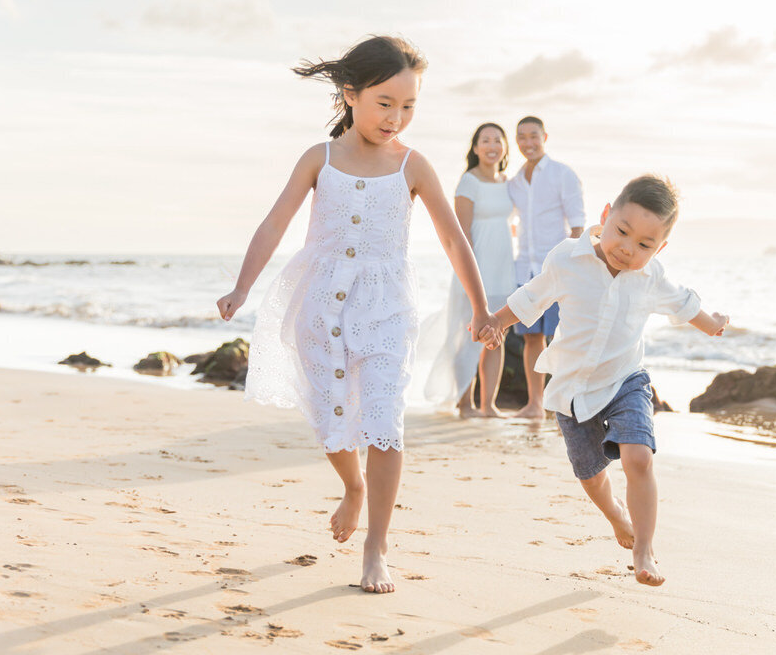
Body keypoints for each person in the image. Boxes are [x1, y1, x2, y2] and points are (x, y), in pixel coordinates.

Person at [217, 36, 498, 594]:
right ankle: (353, 485)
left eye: (409, 105)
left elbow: (451, 235)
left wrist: (482, 306)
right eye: (385, 103)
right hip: (320, 306)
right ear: (351, 94)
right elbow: (275, 223)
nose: (397, 118)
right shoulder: (319, 159)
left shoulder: (412, 166)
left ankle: (377, 547)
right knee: (332, 417)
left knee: (385, 424)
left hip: (387, 306)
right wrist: (242, 285)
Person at [478, 175, 729, 586]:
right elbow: (531, 297)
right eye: (622, 232)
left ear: (660, 248)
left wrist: (713, 324)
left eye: (645, 245)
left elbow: (685, 303)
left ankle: (644, 550)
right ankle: (616, 515)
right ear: (605, 216)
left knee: (638, 458)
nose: (629, 249)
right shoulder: (567, 260)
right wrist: (496, 323)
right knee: (592, 476)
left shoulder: (652, 278)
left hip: (626, 379)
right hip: (572, 388)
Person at [423, 123, 517, 417]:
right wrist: (469, 275)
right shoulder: (468, 182)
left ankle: (488, 405)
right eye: (485, 140)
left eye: (497, 141)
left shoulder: (507, 182)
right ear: (475, 148)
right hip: (476, 271)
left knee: (496, 335)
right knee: (468, 336)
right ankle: (465, 403)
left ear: (504, 147)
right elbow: (461, 233)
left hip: (505, 269)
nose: (491, 146)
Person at [506, 116, 585, 418]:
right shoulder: (513, 182)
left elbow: (577, 224)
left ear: (545, 137)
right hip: (524, 270)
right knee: (531, 338)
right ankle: (535, 404)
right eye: (522, 137)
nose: (528, 143)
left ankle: (567, 404)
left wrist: (576, 267)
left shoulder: (562, 174)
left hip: (557, 270)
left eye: (533, 136)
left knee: (562, 337)